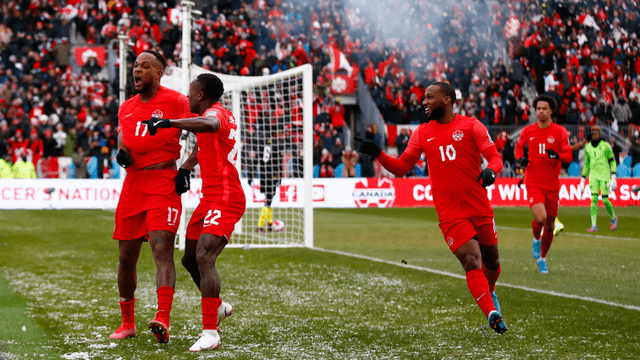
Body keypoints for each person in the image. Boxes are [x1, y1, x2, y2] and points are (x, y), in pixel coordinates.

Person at [356, 82, 508, 335]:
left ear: (448, 99)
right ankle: (491, 312)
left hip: (479, 206)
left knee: (492, 262)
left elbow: (495, 157)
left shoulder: (471, 125)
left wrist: (492, 170)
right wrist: (379, 154)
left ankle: (490, 292)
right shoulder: (422, 133)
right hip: (450, 212)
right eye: (423, 98)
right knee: (471, 260)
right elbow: (403, 168)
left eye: (429, 97)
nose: (423, 102)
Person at [143, 73, 245, 352]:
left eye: (191, 92)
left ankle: (210, 332)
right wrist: (186, 168)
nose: (187, 97)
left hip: (226, 197)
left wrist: (169, 122)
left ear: (201, 95)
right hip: (210, 197)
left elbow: (209, 125)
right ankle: (219, 306)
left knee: (204, 255)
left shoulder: (217, 114)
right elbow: (204, 145)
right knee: (189, 258)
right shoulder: (216, 115)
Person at [109, 50, 193, 343]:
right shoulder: (127, 107)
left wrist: (186, 168)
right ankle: (127, 323)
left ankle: (163, 318)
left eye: (145, 66)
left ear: (159, 74)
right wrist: (123, 151)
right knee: (125, 257)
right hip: (133, 183)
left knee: (161, 248)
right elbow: (124, 134)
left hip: (163, 181)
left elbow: (201, 131)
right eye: (135, 66)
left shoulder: (177, 101)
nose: (137, 70)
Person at [515, 94, 572, 274]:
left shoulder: (560, 131)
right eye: (538, 108)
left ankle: (543, 258)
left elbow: (568, 156)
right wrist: (520, 160)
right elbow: (518, 148)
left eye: (544, 108)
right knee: (541, 218)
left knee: (550, 226)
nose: (540, 111)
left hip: (552, 185)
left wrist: (558, 156)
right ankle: (535, 239)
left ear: (551, 111)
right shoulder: (528, 131)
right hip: (533, 182)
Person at [577, 126, 618, 232]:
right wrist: (582, 180)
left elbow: (612, 161)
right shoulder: (588, 147)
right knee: (593, 199)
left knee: (605, 199)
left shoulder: (606, 146)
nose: (594, 135)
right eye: (592, 133)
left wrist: (613, 177)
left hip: (604, 175)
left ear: (599, 134)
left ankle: (613, 217)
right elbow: (586, 164)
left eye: (596, 133)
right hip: (593, 176)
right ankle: (594, 225)